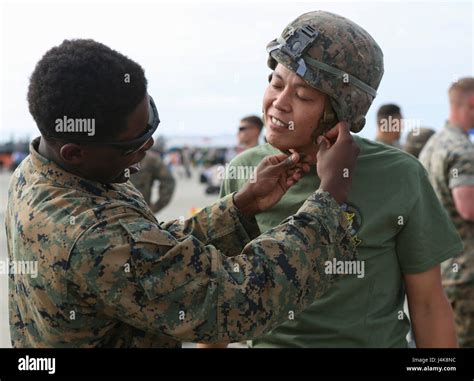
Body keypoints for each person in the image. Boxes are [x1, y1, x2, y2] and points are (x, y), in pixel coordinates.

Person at [6, 38, 359, 348]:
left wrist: (241, 206)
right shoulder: (91, 234)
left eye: (151, 122)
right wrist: (329, 196)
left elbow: (151, 249)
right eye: (133, 143)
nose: (150, 143)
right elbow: (236, 301)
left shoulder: (41, 171)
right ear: (75, 151)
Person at [202, 10, 460, 348]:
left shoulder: (400, 175)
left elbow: (427, 304)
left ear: (341, 113)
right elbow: (217, 303)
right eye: (276, 84)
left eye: (303, 96)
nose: (278, 104)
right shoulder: (246, 174)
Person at [419, 77, 474, 347]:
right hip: (465, 274)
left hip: (442, 268)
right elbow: (468, 208)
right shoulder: (462, 150)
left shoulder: (434, 145)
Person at [130, 149, 176, 214]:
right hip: (139, 212)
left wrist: (155, 208)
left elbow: (168, 181)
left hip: (139, 212)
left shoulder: (150, 159)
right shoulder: (150, 158)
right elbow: (168, 181)